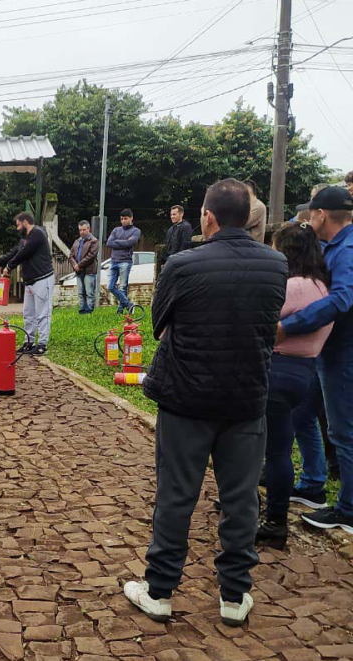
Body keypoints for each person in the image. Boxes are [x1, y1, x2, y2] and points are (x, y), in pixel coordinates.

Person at [124, 179, 287, 627]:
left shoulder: (182, 264)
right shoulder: (277, 265)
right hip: (246, 400)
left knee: (176, 496)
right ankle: (234, 596)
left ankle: (159, 591)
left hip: (185, 399)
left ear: (208, 217)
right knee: (241, 499)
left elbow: (158, 324)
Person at [278, 186, 353, 535]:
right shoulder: (333, 246)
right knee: (302, 414)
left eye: (310, 214)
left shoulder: (348, 249)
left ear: (321, 214)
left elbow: (341, 300)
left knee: (343, 430)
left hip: (343, 353)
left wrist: (288, 327)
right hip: (325, 351)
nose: (307, 221)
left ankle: (348, 509)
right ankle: (312, 486)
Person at [256, 223, 333, 550]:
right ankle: (276, 515)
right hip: (303, 372)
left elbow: (258, 322)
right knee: (281, 449)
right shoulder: (321, 287)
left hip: (275, 370)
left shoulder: (288, 286)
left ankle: (271, 519)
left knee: (265, 449)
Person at [0, 211, 55, 356]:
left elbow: (24, 253)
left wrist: (9, 267)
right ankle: (29, 342)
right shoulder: (24, 240)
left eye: (18, 225)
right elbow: (13, 254)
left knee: (42, 313)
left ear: (25, 221)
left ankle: (42, 344)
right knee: (28, 313)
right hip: (29, 281)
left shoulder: (38, 233)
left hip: (42, 278)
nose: (17, 228)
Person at [106, 209, 141, 314]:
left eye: (125, 218)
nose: (123, 221)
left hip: (125, 261)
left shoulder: (136, 231)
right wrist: (125, 242)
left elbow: (131, 243)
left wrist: (116, 242)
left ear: (131, 218)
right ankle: (129, 304)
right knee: (110, 286)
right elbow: (109, 243)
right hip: (113, 260)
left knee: (123, 286)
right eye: (121, 219)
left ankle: (121, 309)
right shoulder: (116, 230)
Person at [68, 220, 99, 314]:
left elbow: (91, 256)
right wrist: (75, 265)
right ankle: (82, 310)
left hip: (89, 270)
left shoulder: (94, 241)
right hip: (79, 271)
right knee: (81, 293)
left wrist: (79, 265)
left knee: (89, 292)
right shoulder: (77, 241)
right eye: (80, 230)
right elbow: (71, 256)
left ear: (89, 229)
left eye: (84, 229)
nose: (82, 232)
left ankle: (89, 310)